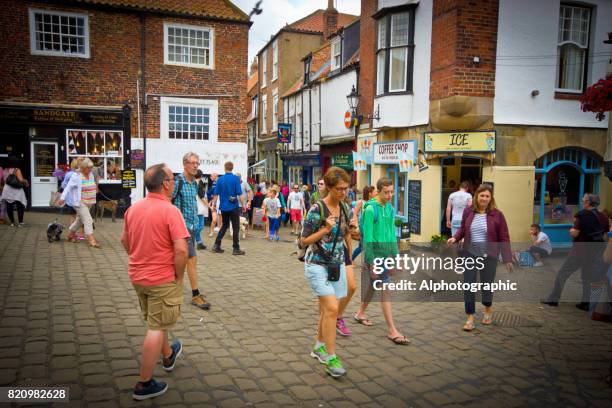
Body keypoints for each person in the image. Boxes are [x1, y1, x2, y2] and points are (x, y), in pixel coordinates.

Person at [121, 163, 188, 401]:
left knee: (156, 319)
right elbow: (181, 250)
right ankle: (144, 383)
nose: (174, 181)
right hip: (162, 277)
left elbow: (124, 241)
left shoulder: (133, 209)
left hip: (138, 276)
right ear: (166, 184)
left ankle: (168, 354)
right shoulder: (171, 211)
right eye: (172, 178)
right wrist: (179, 275)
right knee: (156, 327)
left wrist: (139, 257)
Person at [300, 167, 352, 378]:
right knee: (331, 308)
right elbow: (303, 240)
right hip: (317, 265)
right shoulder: (317, 209)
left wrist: (354, 231)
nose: (343, 192)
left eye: (346, 188)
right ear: (329, 187)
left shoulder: (345, 208)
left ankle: (319, 346)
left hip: (336, 265)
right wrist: (324, 230)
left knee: (326, 310)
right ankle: (331, 358)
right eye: (339, 189)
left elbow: (346, 232)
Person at [447, 184, 513, 331]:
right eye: (481, 195)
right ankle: (470, 316)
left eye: (487, 196)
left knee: (486, 284)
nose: (484, 198)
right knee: (468, 285)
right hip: (470, 254)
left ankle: (487, 309)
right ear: (476, 196)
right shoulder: (469, 211)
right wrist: (455, 238)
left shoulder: (497, 215)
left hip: (489, 256)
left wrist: (507, 258)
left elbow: (504, 237)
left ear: (491, 198)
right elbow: (463, 229)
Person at [354, 178, 410, 345]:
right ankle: (392, 330)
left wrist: (396, 257)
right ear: (378, 191)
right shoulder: (371, 209)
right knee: (385, 289)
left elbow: (392, 234)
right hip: (374, 256)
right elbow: (368, 238)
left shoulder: (390, 208)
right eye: (386, 192)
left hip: (386, 255)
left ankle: (360, 313)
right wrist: (371, 263)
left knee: (374, 285)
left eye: (392, 191)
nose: (390, 195)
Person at [542, 193, 609, 310]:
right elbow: (605, 236)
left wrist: (572, 229)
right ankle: (586, 303)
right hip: (594, 252)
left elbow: (575, 233)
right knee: (587, 276)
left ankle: (554, 299)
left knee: (563, 273)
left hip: (580, 251)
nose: (582, 201)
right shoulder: (603, 217)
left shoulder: (581, 215)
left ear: (588, 202)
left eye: (583, 200)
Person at [173, 152, 211, 310]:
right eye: (193, 163)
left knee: (184, 262)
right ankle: (194, 295)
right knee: (191, 260)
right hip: (183, 228)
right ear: (185, 164)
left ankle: (174, 292)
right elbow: (169, 202)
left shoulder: (195, 183)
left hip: (193, 226)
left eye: (197, 163)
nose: (196, 165)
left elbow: (195, 202)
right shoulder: (177, 182)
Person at [58, 158, 100, 247]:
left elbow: (93, 184)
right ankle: (91, 239)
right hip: (80, 202)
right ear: (83, 168)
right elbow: (68, 187)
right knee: (88, 220)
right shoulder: (76, 176)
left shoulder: (91, 174)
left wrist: (95, 187)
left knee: (80, 220)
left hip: (90, 201)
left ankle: (70, 234)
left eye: (91, 168)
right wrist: (62, 198)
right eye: (88, 168)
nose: (90, 170)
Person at [212, 161, 245, 255]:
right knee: (236, 227)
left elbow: (215, 194)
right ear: (232, 168)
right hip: (233, 207)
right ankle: (236, 249)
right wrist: (243, 205)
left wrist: (214, 205)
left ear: (224, 168)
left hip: (223, 207)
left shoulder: (220, 179)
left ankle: (216, 245)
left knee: (224, 226)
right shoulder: (236, 179)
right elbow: (240, 194)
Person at [1, 156, 29, 227]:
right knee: (20, 206)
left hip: (7, 189)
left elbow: (3, 180)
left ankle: (12, 222)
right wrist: (26, 181)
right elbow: (20, 180)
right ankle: (20, 223)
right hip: (16, 190)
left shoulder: (5, 170)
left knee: (9, 206)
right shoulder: (17, 170)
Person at [351, 186, 377, 260]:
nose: (376, 193)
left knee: (364, 246)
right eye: (374, 192)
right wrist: (356, 225)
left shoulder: (374, 203)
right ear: (370, 193)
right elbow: (355, 214)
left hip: (372, 228)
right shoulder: (361, 202)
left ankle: (353, 259)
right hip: (364, 228)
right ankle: (352, 259)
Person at [236, 171, 253, 236]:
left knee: (245, 219)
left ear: (239, 178)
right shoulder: (235, 184)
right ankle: (237, 231)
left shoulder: (245, 183)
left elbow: (251, 192)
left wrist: (249, 202)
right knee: (236, 219)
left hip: (244, 205)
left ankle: (247, 231)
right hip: (236, 205)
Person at [194, 170, 208, 251]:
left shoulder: (193, 183)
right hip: (199, 207)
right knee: (200, 225)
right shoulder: (199, 184)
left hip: (196, 207)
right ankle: (189, 238)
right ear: (201, 175)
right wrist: (208, 205)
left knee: (197, 225)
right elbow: (202, 196)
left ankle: (199, 243)